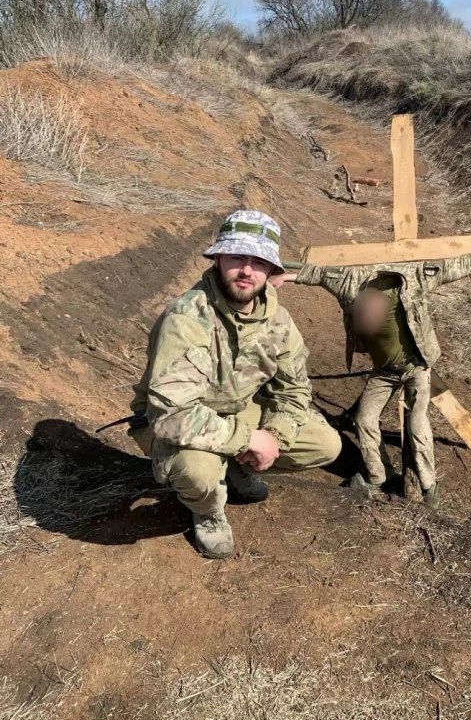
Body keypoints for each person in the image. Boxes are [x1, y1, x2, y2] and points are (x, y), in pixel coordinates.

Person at [129, 210, 342, 559]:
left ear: (271, 270)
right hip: (179, 419)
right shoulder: (187, 318)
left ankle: (237, 466)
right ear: (217, 259)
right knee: (196, 472)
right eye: (237, 257)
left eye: (259, 261)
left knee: (324, 444)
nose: (247, 270)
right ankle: (207, 511)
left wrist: (274, 436)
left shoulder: (277, 320)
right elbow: (172, 415)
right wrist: (248, 439)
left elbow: (294, 390)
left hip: (237, 408)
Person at [276, 254, 471, 506]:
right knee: (364, 419)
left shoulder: (411, 280)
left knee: (417, 423)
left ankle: (429, 485)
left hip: (416, 367)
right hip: (384, 372)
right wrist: (287, 277)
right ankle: (380, 476)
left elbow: (448, 269)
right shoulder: (350, 285)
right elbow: (320, 275)